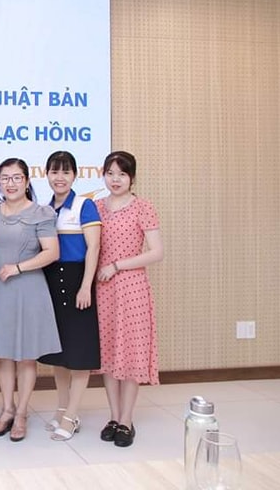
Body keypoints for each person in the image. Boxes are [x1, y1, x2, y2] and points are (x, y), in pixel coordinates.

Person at [0, 158, 60, 443]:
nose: (11, 183)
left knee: (27, 356)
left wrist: (18, 268)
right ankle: (7, 409)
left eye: (17, 178)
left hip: (29, 289)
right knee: (4, 353)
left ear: (27, 181)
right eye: (5, 178)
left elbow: (51, 252)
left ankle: (21, 413)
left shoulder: (41, 212)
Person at [94, 151, 164, 448]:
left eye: (122, 174)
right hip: (103, 288)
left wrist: (117, 265)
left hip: (132, 287)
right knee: (109, 353)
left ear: (132, 178)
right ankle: (113, 416)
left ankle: (126, 420)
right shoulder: (96, 207)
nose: (115, 179)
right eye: (110, 173)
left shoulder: (143, 207)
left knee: (130, 351)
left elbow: (157, 252)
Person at [39, 150, 101, 442]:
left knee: (79, 354)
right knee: (59, 354)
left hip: (77, 282)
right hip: (52, 282)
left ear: (75, 175)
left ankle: (72, 415)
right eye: (54, 171)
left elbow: (94, 248)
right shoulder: (45, 209)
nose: (59, 177)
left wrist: (86, 286)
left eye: (65, 172)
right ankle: (62, 408)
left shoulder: (84, 205)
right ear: (47, 175)